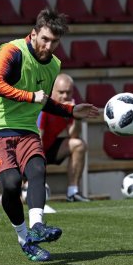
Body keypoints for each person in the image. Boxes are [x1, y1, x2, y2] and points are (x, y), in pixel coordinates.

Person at [0, 8, 99, 262]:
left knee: (37, 169)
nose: (49, 46)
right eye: (45, 39)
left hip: (26, 127)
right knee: (10, 184)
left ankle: (38, 225)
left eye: (55, 41)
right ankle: (23, 237)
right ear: (33, 34)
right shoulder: (12, 50)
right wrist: (30, 97)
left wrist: (71, 110)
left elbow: (43, 100)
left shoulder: (54, 65)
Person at [38, 73, 90, 202]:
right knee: (22, 199)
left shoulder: (69, 107)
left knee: (78, 145)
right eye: (61, 92)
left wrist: (75, 116)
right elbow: (36, 139)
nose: (65, 96)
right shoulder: (44, 107)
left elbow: (73, 135)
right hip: (32, 150)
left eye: (68, 92)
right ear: (52, 91)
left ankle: (73, 192)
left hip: (49, 148)